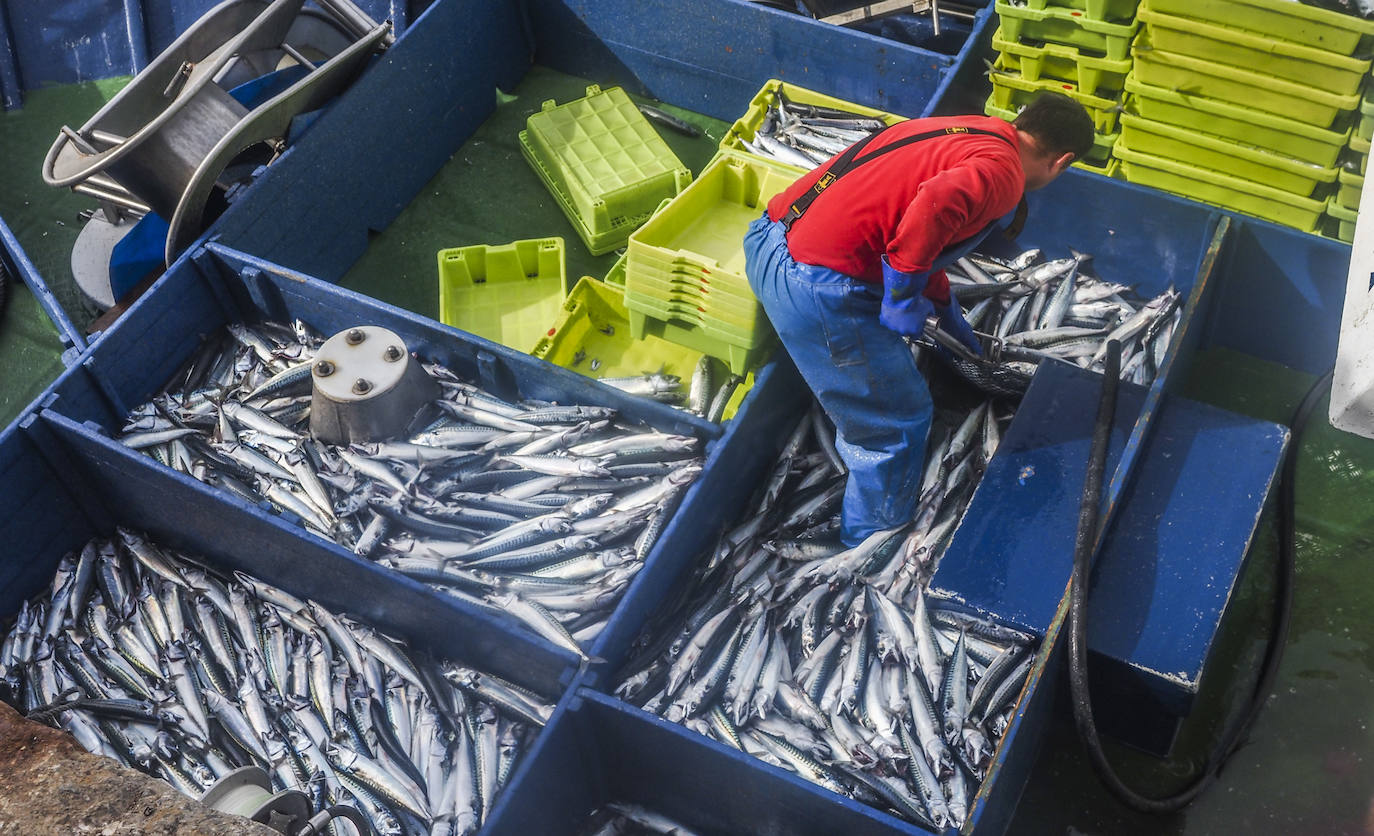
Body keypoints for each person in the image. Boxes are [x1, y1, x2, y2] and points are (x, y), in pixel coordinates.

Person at [742, 91, 1095, 547]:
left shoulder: (971, 130)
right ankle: (870, 543)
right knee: (898, 422)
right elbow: (937, 202)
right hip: (813, 288)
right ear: (1062, 161)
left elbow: (908, 219)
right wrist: (904, 294)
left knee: (886, 376)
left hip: (770, 238)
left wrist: (943, 306)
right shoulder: (1003, 174)